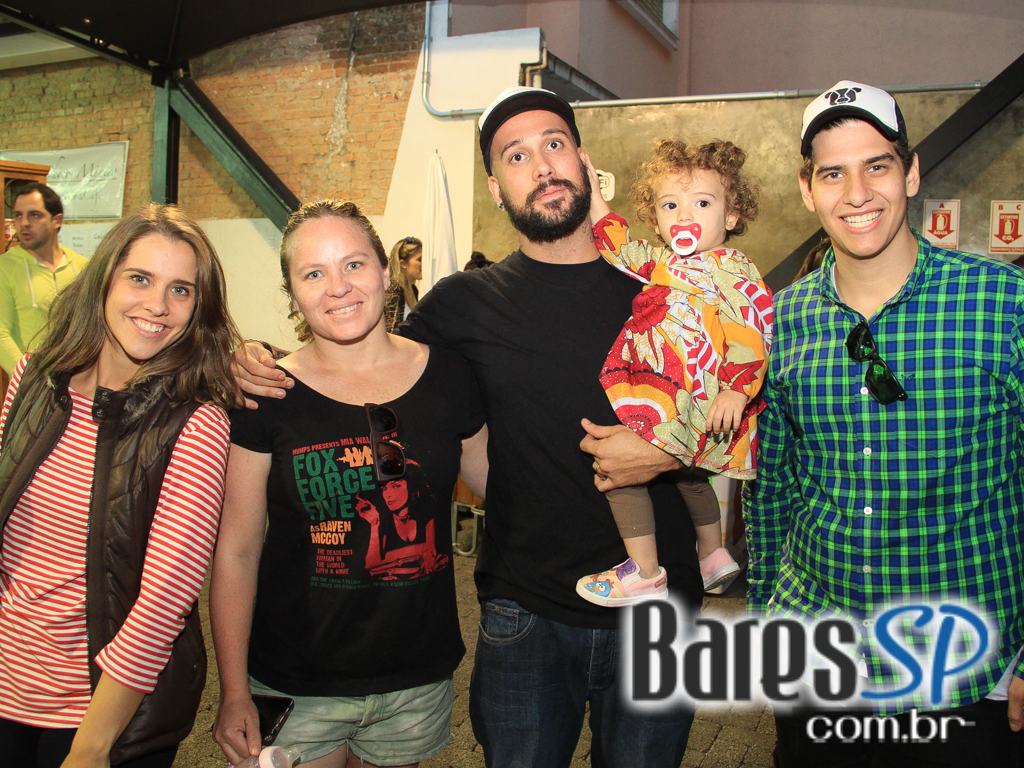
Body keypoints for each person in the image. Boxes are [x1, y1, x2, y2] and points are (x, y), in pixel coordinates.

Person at [232, 87, 699, 768]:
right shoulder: (461, 305)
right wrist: (251, 356)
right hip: (525, 610)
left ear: (583, 160)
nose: (541, 165)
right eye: (516, 156)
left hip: (657, 604)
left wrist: (669, 453)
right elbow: (363, 357)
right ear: (497, 188)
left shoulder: (669, 292)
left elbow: (751, 410)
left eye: (553, 144)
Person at [745, 80, 1024, 765]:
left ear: (912, 173)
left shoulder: (1005, 303)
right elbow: (770, 483)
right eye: (833, 173)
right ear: (808, 191)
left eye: (877, 165)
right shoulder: (780, 320)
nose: (858, 193)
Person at [211, 200, 487, 768]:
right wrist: (234, 689)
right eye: (313, 273)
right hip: (297, 677)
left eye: (354, 264)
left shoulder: (450, 376)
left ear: (386, 272)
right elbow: (237, 550)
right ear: (292, 294)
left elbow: (505, 486)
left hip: (413, 678)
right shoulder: (265, 394)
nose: (338, 287)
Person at [0, 203, 242, 767]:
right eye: (140, 278)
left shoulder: (195, 421)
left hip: (95, 712)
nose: (158, 305)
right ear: (105, 279)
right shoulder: (34, 376)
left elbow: (164, 602)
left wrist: (92, 746)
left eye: (181, 290)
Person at [577, 139, 772, 604]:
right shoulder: (664, 263)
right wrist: (595, 196)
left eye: (702, 203)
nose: (684, 215)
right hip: (671, 390)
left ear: (731, 214)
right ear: (657, 216)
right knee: (690, 477)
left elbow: (753, 328)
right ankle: (713, 554)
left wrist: (737, 390)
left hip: (691, 394)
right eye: (670, 205)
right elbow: (619, 246)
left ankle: (645, 572)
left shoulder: (734, 271)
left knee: (621, 473)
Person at [0, 182, 89, 375]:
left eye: (34, 215)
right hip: (31, 382)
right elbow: (1, 335)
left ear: (57, 220)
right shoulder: (5, 267)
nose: (24, 223)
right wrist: (28, 379)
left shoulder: (82, 266)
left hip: (78, 379)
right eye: (18, 215)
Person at [383, 236, 422, 332]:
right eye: (419, 259)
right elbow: (391, 329)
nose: (424, 263)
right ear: (403, 264)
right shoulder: (395, 289)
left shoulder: (413, 289)